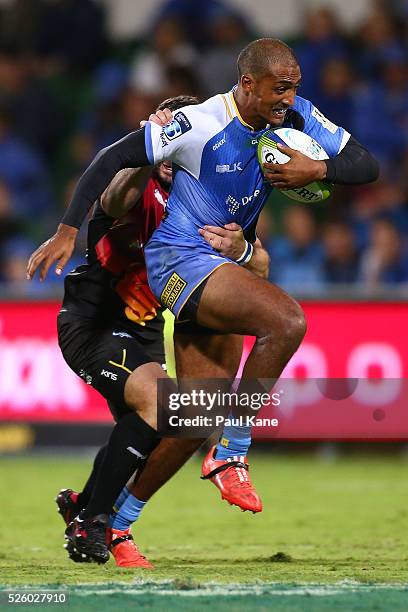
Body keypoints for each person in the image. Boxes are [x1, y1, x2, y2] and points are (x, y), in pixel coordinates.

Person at [27, 38, 379, 563]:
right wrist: (66, 230)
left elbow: (364, 166)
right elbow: (115, 161)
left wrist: (316, 172)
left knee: (191, 417)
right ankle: (232, 452)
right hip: (152, 286)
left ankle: (112, 522)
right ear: (248, 84)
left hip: (194, 287)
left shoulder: (293, 117)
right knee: (287, 321)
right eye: (280, 88)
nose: (289, 97)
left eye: (294, 87)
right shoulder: (192, 133)